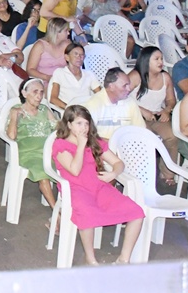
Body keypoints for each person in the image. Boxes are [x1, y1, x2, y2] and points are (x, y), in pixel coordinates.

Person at [51, 105, 144, 265]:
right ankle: (90, 258)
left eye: (86, 124)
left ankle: (124, 258)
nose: (84, 128)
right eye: (79, 124)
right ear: (69, 124)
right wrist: (80, 146)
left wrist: (113, 174)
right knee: (88, 214)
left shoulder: (94, 142)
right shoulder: (60, 145)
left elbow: (118, 162)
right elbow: (74, 170)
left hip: (98, 186)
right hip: (75, 188)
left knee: (136, 212)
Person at [5, 80, 58, 213]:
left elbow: (58, 129)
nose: (39, 96)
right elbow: (11, 137)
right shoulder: (16, 110)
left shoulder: (44, 110)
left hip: (49, 152)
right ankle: (57, 212)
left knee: (69, 170)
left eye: (41, 92)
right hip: (29, 153)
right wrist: (14, 116)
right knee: (43, 173)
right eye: (35, 92)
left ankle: (70, 209)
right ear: (24, 93)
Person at [128, 46, 179, 184]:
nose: (160, 62)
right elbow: (120, 97)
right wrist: (142, 110)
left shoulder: (165, 77)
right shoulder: (135, 76)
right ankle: (143, 175)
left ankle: (167, 173)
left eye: (161, 59)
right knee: (148, 138)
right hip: (135, 116)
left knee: (172, 137)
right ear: (146, 61)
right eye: (156, 59)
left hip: (156, 116)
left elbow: (171, 100)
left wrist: (167, 110)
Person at [82, 68, 145, 139]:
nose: (129, 89)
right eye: (125, 86)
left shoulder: (130, 102)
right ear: (111, 87)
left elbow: (141, 130)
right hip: (101, 147)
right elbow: (87, 136)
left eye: (128, 85)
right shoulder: (93, 104)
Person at [49, 43, 100, 109]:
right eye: (76, 54)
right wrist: (70, 109)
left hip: (87, 111)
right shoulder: (59, 72)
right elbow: (53, 99)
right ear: (67, 57)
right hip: (69, 112)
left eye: (82, 55)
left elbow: (100, 95)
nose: (79, 57)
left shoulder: (89, 74)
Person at [25, 16, 71, 84]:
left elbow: (74, 64)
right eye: (66, 31)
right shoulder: (40, 46)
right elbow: (30, 70)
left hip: (63, 81)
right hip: (43, 81)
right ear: (57, 32)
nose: (68, 33)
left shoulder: (68, 44)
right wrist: (47, 77)